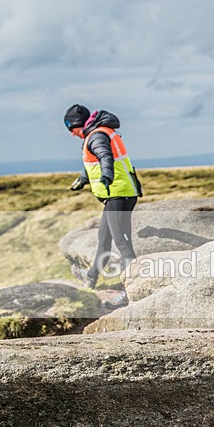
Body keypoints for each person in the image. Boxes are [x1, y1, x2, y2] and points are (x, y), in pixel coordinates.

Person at [64, 104, 142, 310]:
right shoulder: (96, 134)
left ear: (78, 125)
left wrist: (107, 175)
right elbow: (94, 162)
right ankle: (91, 278)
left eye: (70, 128)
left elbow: (105, 157)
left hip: (119, 194)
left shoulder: (97, 136)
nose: (71, 134)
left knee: (123, 244)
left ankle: (132, 292)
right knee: (103, 240)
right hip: (116, 195)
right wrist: (83, 178)